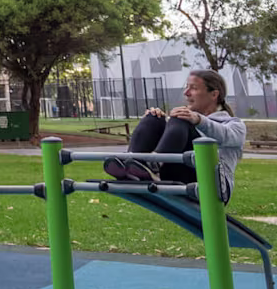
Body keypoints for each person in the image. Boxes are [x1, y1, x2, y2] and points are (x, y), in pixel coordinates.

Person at [103, 67, 246, 204]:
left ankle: (152, 165)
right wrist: (157, 120)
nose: (186, 92)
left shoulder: (234, 125)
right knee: (154, 117)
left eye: (194, 88)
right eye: (187, 87)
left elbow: (224, 135)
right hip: (179, 174)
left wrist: (198, 120)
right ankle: (131, 164)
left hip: (214, 184)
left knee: (180, 116)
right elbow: (174, 133)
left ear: (214, 95)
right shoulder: (185, 121)